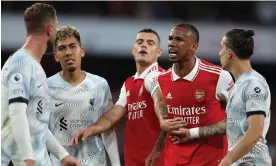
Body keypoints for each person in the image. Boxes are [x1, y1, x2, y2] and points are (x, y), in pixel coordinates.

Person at [70, 29, 184, 166]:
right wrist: (91, 129)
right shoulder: (129, 83)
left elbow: (159, 97)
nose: (144, 46)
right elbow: (112, 116)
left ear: (159, 52)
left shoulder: (160, 77)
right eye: (140, 42)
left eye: (150, 43)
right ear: (133, 50)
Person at [1, 3, 80, 166]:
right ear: (50, 29)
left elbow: (36, 122)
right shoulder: (20, 64)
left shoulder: (36, 68)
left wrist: (63, 156)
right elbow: (17, 114)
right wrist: (28, 158)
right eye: (56, 26)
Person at [146, 24, 234, 166]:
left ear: (194, 47)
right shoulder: (162, 80)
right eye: (170, 39)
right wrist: (157, 148)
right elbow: (170, 123)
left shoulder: (218, 77)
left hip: (211, 162)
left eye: (179, 40)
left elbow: (235, 121)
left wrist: (192, 133)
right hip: (173, 161)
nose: (172, 44)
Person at [47, 25, 121, 166]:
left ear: (81, 51)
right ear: (56, 56)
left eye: (72, 46)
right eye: (62, 48)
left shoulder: (99, 85)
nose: (68, 52)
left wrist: (116, 164)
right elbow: (41, 132)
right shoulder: (45, 87)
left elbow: (108, 129)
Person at [218, 29, 271, 166]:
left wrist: (227, 160)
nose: (219, 53)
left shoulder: (253, 84)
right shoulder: (239, 84)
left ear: (229, 53)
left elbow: (255, 132)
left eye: (221, 48)